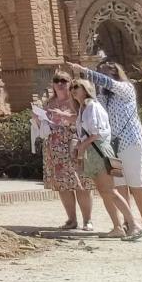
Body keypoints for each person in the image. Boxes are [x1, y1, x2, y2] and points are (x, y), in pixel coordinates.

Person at [72, 59, 142, 236]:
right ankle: (128, 223)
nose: (102, 76)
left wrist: (84, 71)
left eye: (106, 72)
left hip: (130, 143)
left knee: (136, 183)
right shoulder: (102, 98)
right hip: (111, 147)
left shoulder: (126, 89)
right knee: (119, 183)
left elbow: (106, 82)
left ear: (115, 73)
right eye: (100, 71)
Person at [39, 70, 93, 231]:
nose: (60, 84)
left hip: (74, 146)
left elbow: (85, 119)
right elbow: (44, 123)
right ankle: (71, 220)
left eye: (64, 80)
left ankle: (87, 220)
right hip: (54, 149)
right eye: (57, 81)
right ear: (53, 84)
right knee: (62, 185)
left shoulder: (76, 101)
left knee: (81, 184)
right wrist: (37, 119)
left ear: (70, 83)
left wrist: (64, 115)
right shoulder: (48, 102)